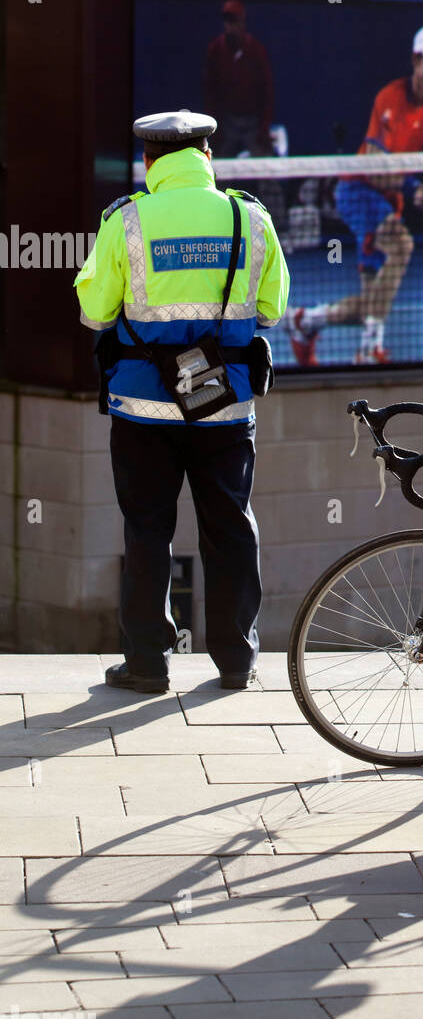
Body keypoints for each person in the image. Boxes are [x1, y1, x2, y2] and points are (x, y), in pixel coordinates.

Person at [74, 110, 290, 694]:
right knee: (229, 526)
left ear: (149, 161)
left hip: (141, 410)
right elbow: (270, 310)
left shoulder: (126, 220)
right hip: (222, 406)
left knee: (147, 529)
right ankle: (236, 661)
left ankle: (146, 664)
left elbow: (94, 312)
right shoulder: (251, 218)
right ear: (208, 156)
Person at [285, 24, 423, 366]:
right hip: (357, 188)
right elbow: (373, 164)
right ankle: (368, 351)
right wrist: (415, 189)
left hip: (388, 199)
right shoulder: (389, 98)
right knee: (403, 245)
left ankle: (303, 321)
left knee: (372, 302)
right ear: (414, 60)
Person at [203, 0, 275, 158]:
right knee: (219, 170)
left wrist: (263, 128)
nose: (230, 25)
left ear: (242, 22)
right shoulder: (215, 50)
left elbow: (267, 92)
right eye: (227, 21)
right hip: (227, 123)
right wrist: (216, 129)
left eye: (234, 21)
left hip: (254, 124)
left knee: (267, 174)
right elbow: (210, 92)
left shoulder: (256, 50)